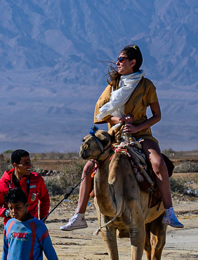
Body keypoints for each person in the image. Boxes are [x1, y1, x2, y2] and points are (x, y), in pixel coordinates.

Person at [59, 45, 183, 230]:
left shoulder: (146, 85)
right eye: (118, 59)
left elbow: (157, 115)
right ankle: (80, 215)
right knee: (88, 168)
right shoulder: (113, 86)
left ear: (133, 62)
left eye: (121, 59)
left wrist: (137, 127)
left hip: (141, 136)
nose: (117, 62)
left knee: (158, 164)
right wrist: (120, 119)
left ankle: (168, 212)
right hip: (114, 137)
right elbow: (99, 115)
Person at [0, 150, 51, 223]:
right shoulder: (3, 183)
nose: (29, 166)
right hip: (12, 227)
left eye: (29, 162)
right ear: (15, 165)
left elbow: (44, 198)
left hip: (32, 225)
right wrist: (7, 213)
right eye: (25, 163)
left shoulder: (37, 179)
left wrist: (43, 219)